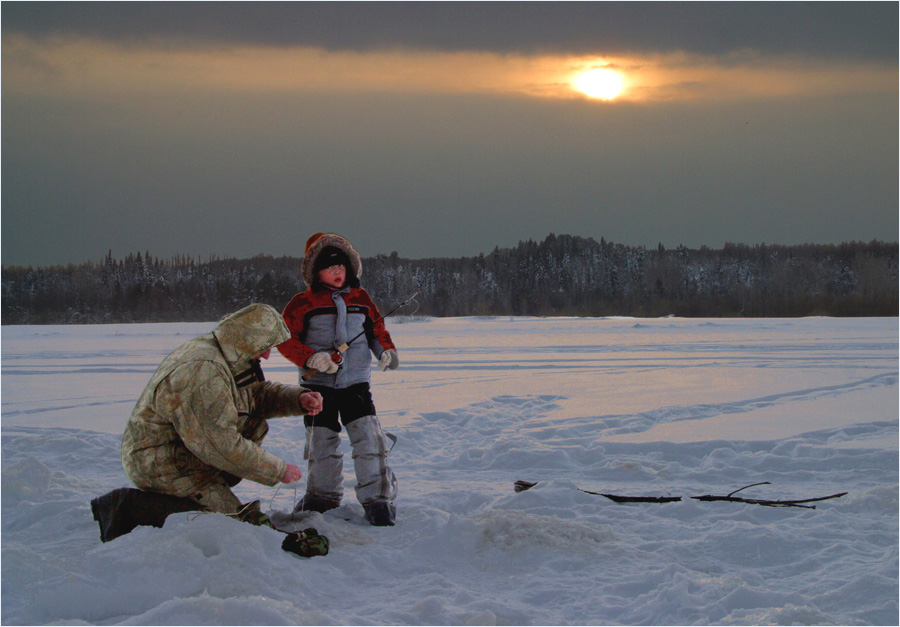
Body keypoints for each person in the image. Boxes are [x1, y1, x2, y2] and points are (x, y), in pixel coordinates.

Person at [91, 303, 324, 542]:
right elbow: (221, 445)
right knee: (225, 526)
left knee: (230, 521)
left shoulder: (230, 353)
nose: (266, 354)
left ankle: (200, 494)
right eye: (264, 347)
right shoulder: (204, 371)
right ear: (248, 339)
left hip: (189, 451)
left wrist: (297, 399)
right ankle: (128, 507)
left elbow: (253, 395)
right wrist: (278, 470)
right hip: (161, 462)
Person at [278, 233, 399, 526]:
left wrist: (386, 352)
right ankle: (322, 496)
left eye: (342, 266)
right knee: (321, 443)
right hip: (316, 388)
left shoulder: (361, 299)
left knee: (369, 440)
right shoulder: (300, 303)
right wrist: (310, 358)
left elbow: (377, 331)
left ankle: (378, 499)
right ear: (314, 271)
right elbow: (283, 339)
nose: (337, 272)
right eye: (330, 267)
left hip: (356, 384)